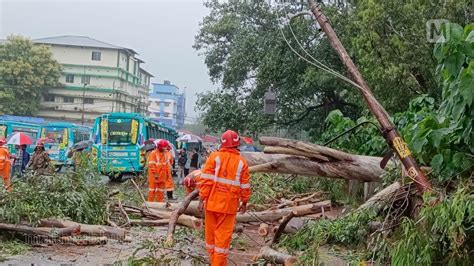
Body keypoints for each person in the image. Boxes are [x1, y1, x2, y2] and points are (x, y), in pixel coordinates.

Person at [199, 130, 251, 265]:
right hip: (229, 207)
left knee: (210, 241)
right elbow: (245, 186)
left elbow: (206, 180)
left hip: (211, 204)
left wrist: (201, 198)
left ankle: (214, 262)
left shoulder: (214, 157)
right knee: (221, 243)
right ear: (237, 144)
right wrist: (244, 202)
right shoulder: (242, 162)